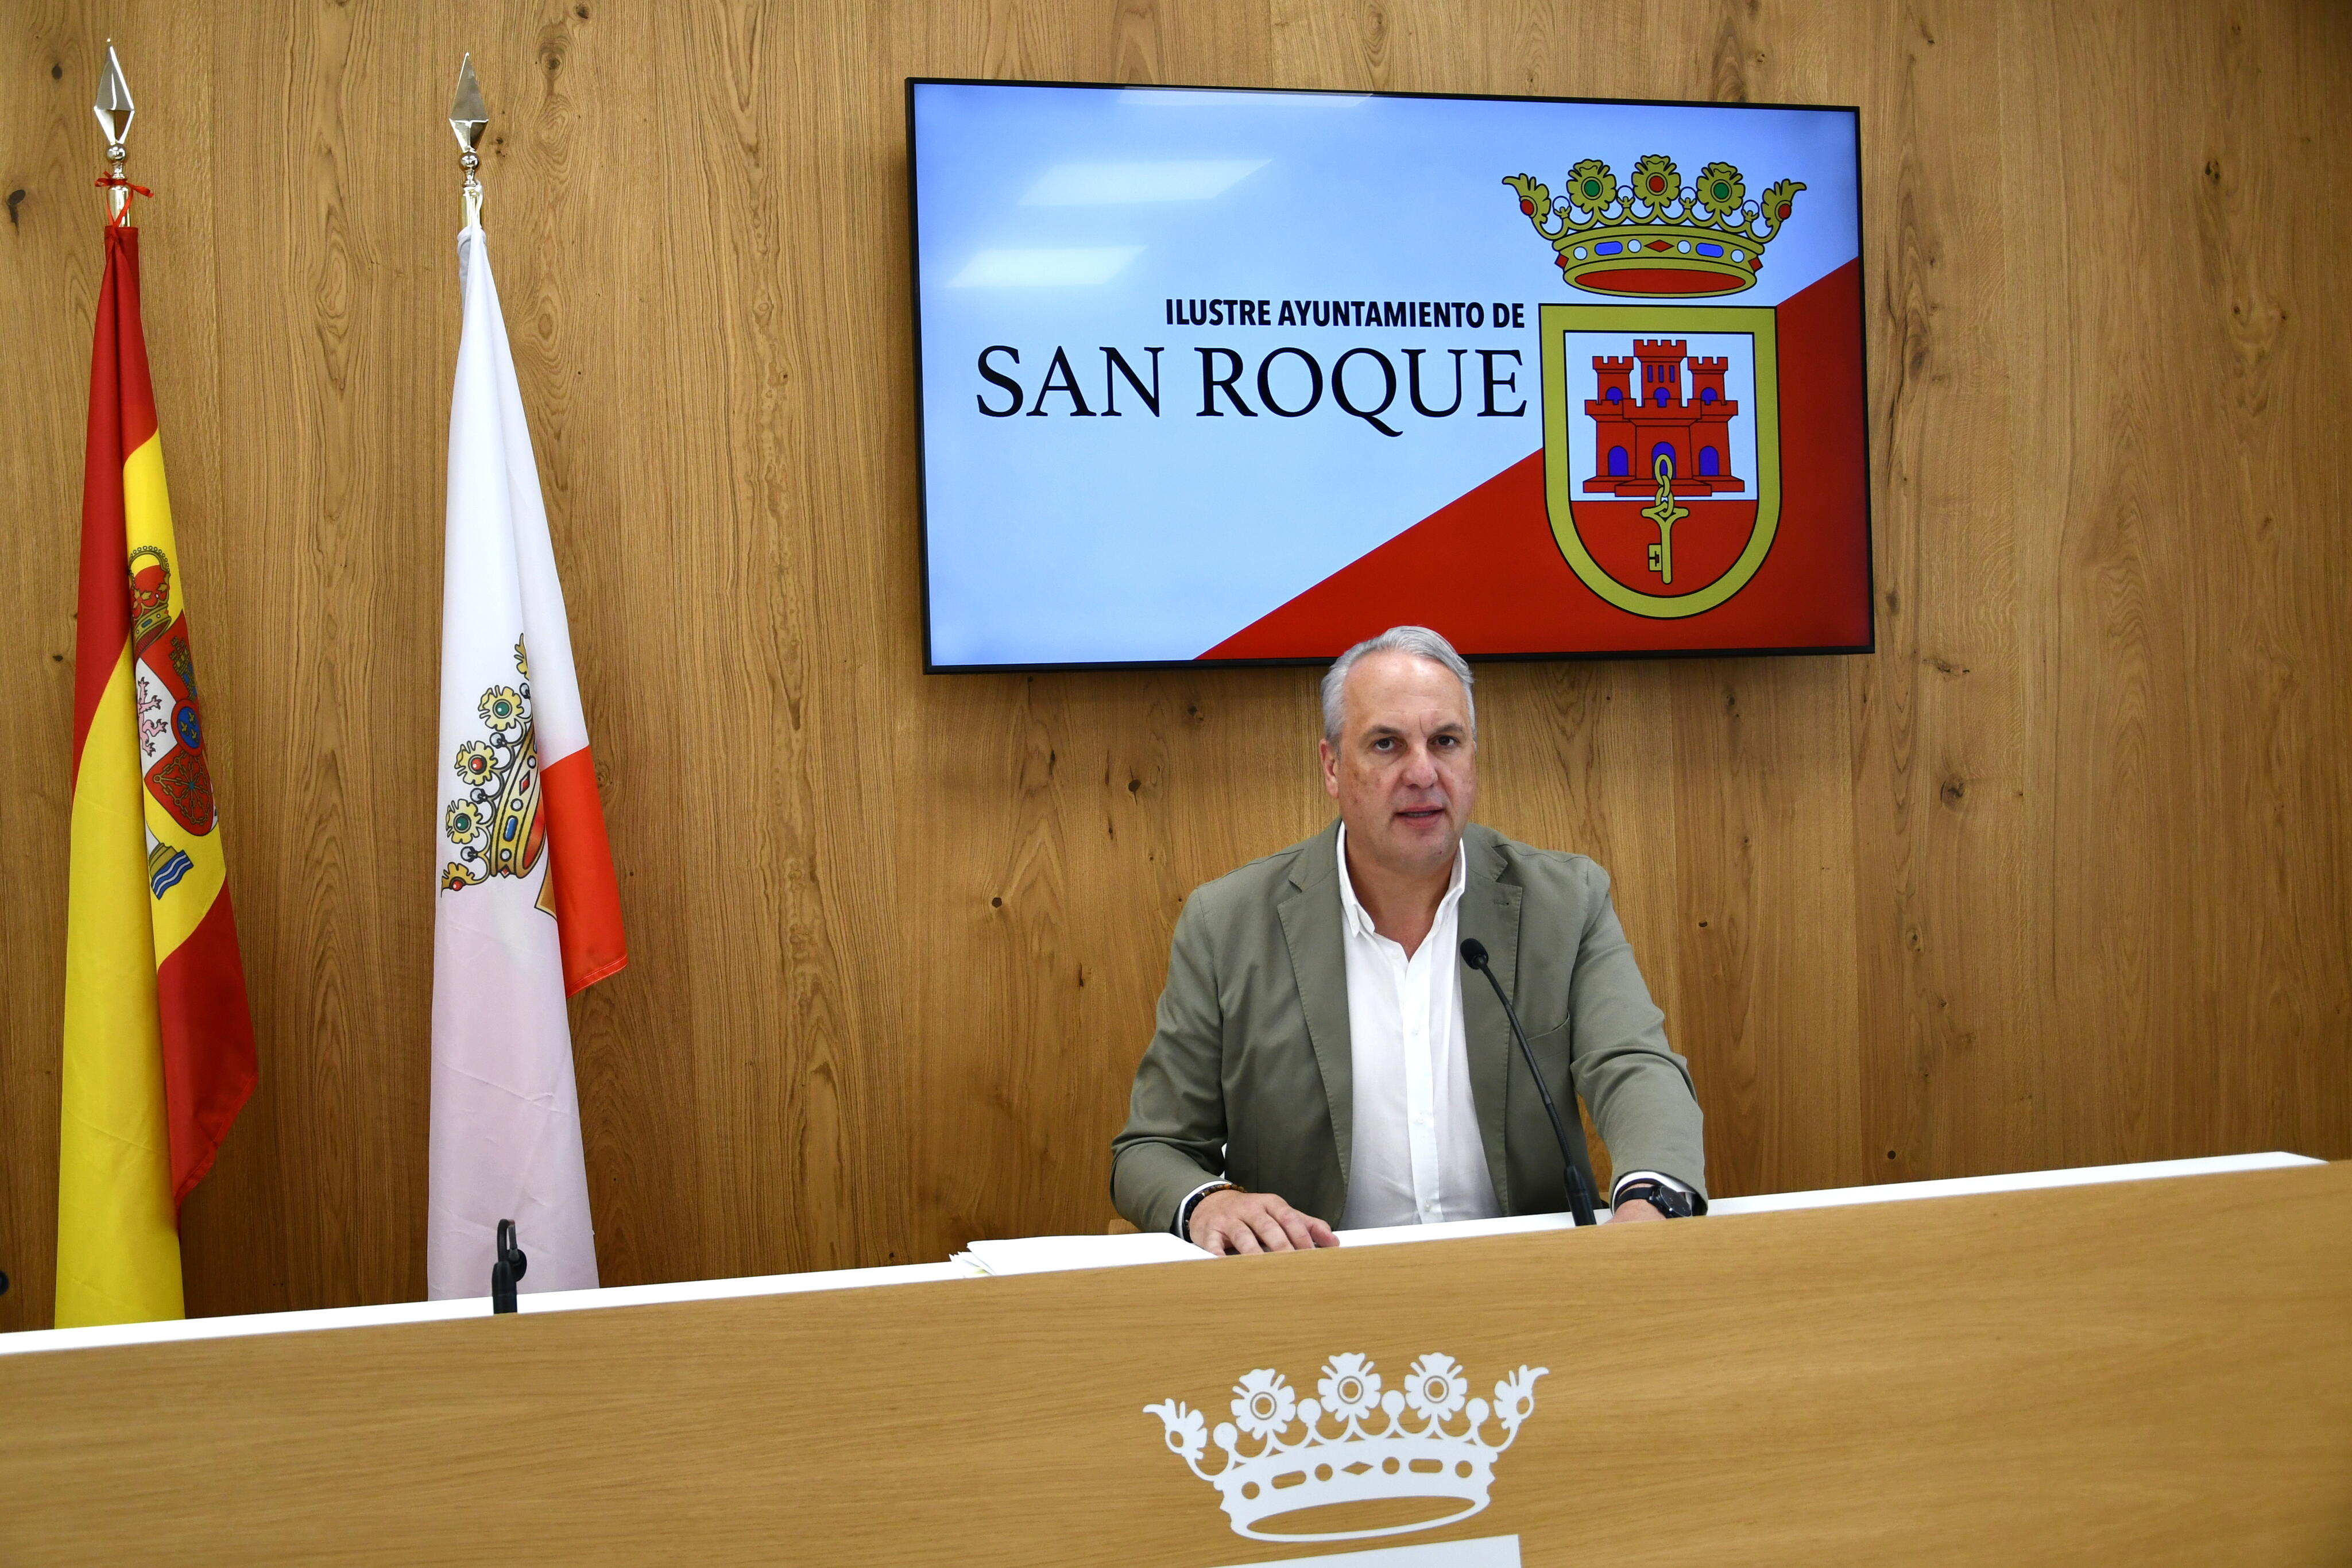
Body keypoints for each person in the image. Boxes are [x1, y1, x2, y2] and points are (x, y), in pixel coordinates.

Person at [1111, 626, 1707, 1253]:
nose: (1422, 772)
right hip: (1318, 1294)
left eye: (1445, 741)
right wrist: (1211, 1203)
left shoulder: (1565, 901)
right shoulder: (1227, 923)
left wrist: (1648, 1205)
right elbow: (1153, 1148)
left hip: (1526, 1282)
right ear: (1333, 767)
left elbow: (1634, 1066)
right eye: (1387, 744)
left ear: (1472, 758)